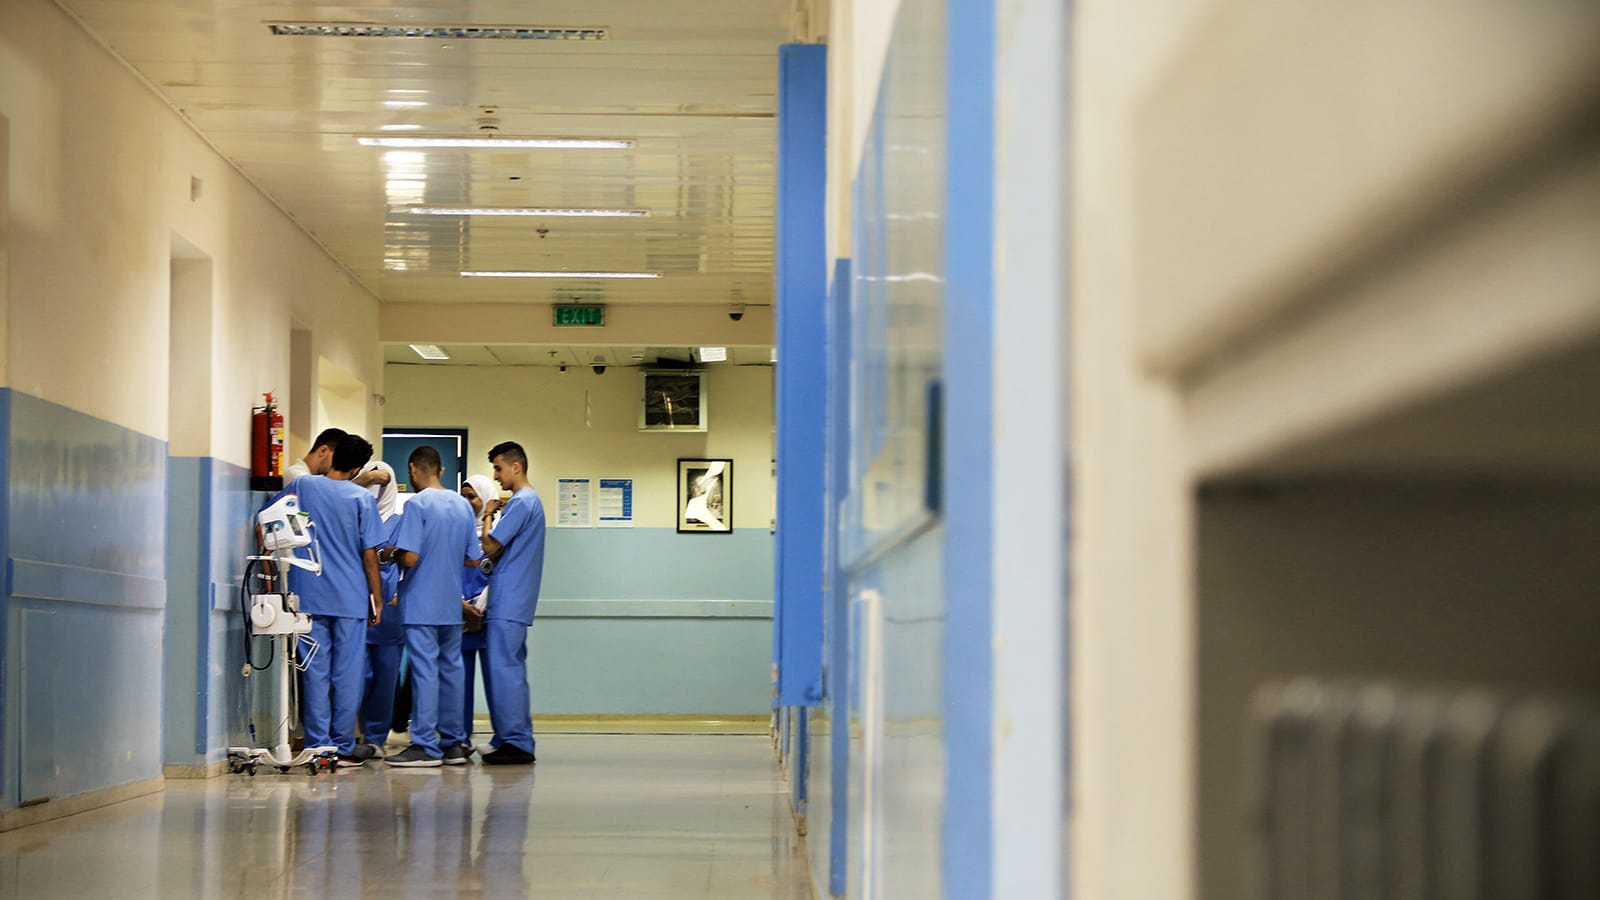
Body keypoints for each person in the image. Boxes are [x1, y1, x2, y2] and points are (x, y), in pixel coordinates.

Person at [274, 433, 385, 767]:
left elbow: (271, 518)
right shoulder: (361, 499)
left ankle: (318, 745)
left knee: (315, 670)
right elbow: (370, 555)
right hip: (350, 597)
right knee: (348, 672)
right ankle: (343, 744)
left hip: (309, 592)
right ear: (356, 467)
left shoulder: (305, 487)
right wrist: (376, 598)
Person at [381, 445, 482, 767]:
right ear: (440, 470)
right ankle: (453, 743)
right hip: (450, 605)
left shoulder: (418, 504)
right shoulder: (462, 506)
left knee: (424, 670)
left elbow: (410, 557)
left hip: (422, 603)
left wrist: (391, 553)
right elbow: (473, 559)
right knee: (451, 669)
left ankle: (425, 744)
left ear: (413, 469)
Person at [478, 441, 545, 765]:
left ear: (516, 467)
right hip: (515, 599)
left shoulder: (522, 502)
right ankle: (509, 737)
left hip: (509, 599)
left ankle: (516, 742)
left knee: (504, 670)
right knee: (510, 669)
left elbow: (491, 545)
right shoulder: (530, 502)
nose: (497, 476)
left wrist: (489, 513)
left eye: (499, 468)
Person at [355, 460, 404, 761]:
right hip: (357, 601)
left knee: (386, 676)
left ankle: (376, 738)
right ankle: (352, 734)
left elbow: (407, 557)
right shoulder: (356, 515)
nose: (374, 490)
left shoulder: (401, 520)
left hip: (390, 604)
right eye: (370, 483)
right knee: (359, 674)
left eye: (381, 485)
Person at [459, 474, 501, 739]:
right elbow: (446, 570)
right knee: (458, 684)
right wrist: (463, 606)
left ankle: (504, 737)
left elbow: (499, 572)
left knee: (496, 681)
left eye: (472, 496)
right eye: (462, 496)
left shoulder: (498, 531)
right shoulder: (457, 530)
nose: (467, 502)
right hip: (459, 615)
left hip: (488, 616)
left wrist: (480, 608)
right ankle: (459, 737)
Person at [284, 426, 391, 490]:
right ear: (323, 451)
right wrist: (362, 480)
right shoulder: (296, 475)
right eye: (337, 456)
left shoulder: (319, 480)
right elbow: (326, 494)